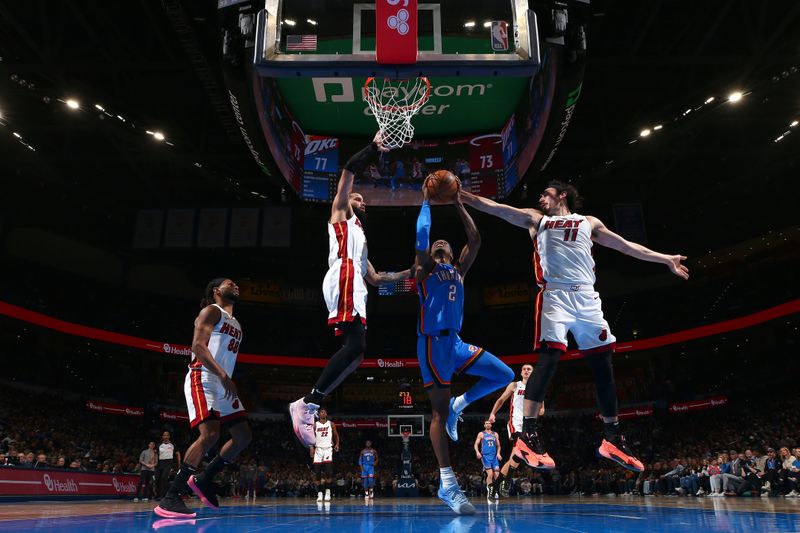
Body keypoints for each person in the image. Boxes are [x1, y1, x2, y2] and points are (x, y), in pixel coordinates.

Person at [461, 182, 689, 473]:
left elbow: (625, 246)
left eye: (546, 193)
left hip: (587, 298)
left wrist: (664, 258)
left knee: (603, 366)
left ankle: (612, 438)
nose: (541, 198)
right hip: (555, 295)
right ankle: (528, 436)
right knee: (549, 358)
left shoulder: (589, 222)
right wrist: (462, 195)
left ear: (562, 195)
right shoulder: (537, 220)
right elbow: (496, 209)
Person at [289, 132, 412, 447]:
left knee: (357, 353)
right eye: (357, 196)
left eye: (361, 198)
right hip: (342, 274)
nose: (361, 199)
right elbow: (348, 170)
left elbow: (376, 277)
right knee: (355, 347)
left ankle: (311, 402)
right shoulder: (341, 214)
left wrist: (411, 273)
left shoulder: (362, 239)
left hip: (356, 281)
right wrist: (373, 147)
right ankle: (308, 403)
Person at [414, 184, 515, 514]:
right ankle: (448, 483)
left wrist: (457, 202)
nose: (441, 242)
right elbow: (422, 234)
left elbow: (475, 240)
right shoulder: (425, 269)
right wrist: (427, 202)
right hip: (432, 343)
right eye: (436, 244)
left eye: (445, 242)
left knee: (504, 374)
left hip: (455, 341)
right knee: (438, 414)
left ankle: (462, 403)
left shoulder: (458, 269)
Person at [155, 278, 252, 518]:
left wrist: (226, 378)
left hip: (223, 383)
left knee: (243, 436)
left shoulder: (236, 323)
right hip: (205, 377)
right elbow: (198, 346)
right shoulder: (211, 311)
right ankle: (170, 497)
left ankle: (205, 477)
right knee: (210, 434)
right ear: (217, 291)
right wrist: (222, 375)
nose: (236, 285)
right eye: (231, 283)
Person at [486, 364, 545, 498]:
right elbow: (501, 400)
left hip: (528, 426)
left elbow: (542, 411)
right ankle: (506, 482)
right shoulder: (515, 385)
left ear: (533, 372)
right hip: (515, 423)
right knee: (519, 451)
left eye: (529, 369)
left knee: (516, 456)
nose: (526, 370)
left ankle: (495, 487)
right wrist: (493, 413)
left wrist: (532, 410)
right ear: (521, 372)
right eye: (523, 369)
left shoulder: (537, 389)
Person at [311, 408, 339, 502]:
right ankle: (319, 494)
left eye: (324, 412)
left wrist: (337, 444)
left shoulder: (331, 424)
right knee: (317, 473)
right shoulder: (315, 425)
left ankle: (327, 492)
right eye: (321, 412)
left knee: (328, 471)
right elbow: (311, 437)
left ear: (326, 414)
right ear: (318, 414)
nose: (323, 413)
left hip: (328, 449)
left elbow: (336, 435)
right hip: (318, 449)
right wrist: (311, 448)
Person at [473, 421, 502, 500]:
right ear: (484, 425)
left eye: (489, 423)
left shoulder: (495, 434)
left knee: (497, 475)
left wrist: (498, 453)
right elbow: (476, 444)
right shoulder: (481, 434)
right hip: (485, 456)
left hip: (494, 457)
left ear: (491, 425)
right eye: (486, 423)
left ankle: (494, 490)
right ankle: (490, 490)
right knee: (490, 474)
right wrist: (477, 452)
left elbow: (499, 446)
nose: (488, 424)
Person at [154, 431, 180, 501]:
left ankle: (163, 496)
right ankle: (157, 495)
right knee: (157, 479)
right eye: (164, 435)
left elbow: (177, 453)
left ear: (169, 436)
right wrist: (155, 462)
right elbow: (156, 454)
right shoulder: (159, 445)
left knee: (163, 478)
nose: (165, 437)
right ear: (162, 437)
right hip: (159, 464)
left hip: (168, 463)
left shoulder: (172, 445)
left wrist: (179, 463)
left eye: (167, 435)